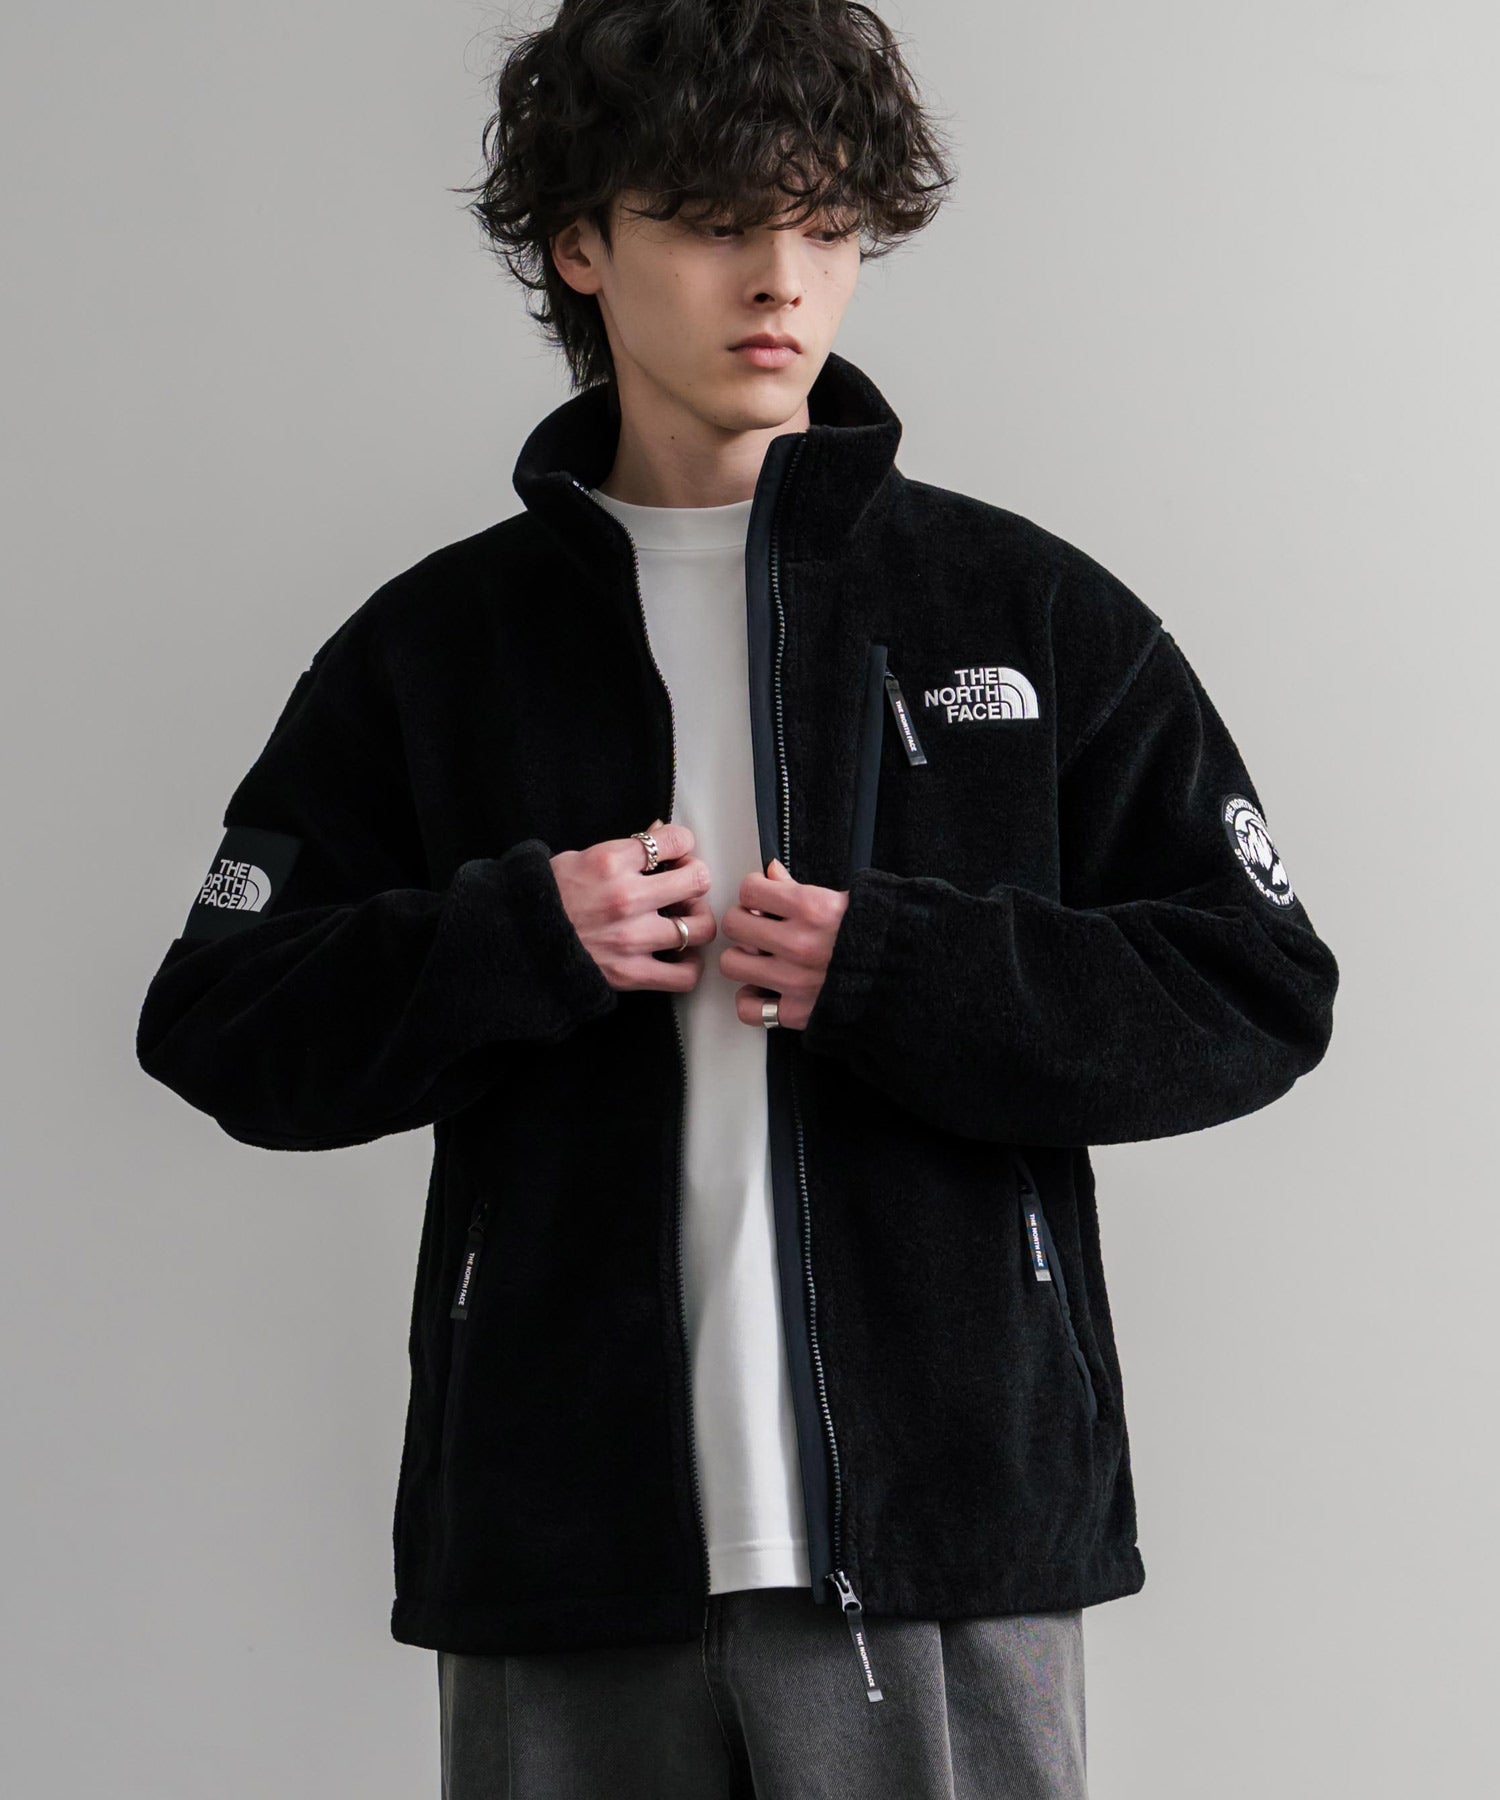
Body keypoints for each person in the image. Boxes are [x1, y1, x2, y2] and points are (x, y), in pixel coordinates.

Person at [135, 2, 1340, 1795]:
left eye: (829, 223)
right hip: (564, 1551)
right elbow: (220, 1022)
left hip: (945, 1547)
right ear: (580, 245)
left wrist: (908, 971)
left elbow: (1258, 987)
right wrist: (512, 941)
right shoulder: (438, 651)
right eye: (714, 220)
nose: (783, 278)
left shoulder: (1023, 612)